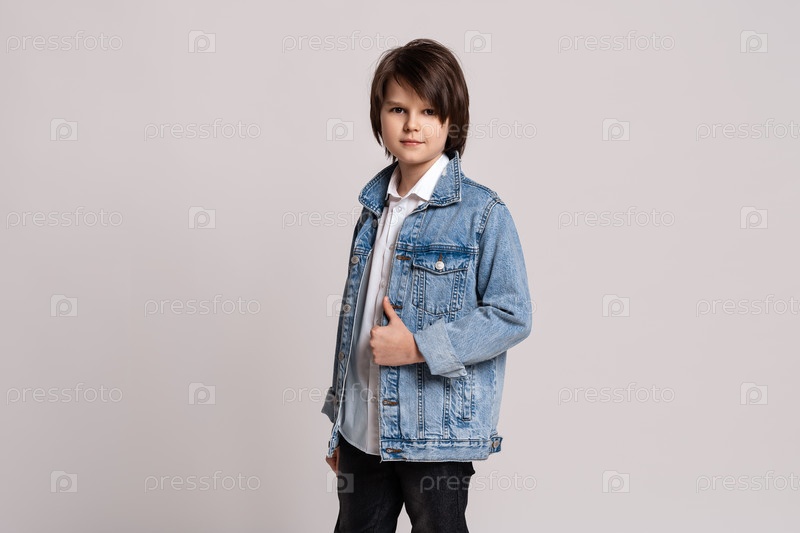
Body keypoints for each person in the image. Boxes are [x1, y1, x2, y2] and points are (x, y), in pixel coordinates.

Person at [321, 37, 533, 533]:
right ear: (379, 117)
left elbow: (513, 314)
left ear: (451, 121)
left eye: (429, 111)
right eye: (398, 109)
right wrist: (340, 423)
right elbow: (354, 324)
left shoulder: (482, 213)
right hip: (362, 432)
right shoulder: (372, 211)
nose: (412, 124)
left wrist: (418, 346)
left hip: (434, 434)